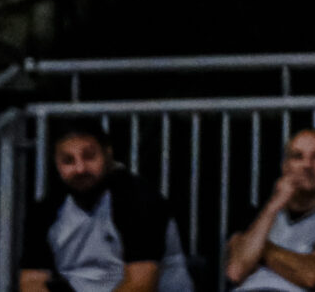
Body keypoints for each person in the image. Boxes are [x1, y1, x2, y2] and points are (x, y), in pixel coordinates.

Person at [19, 121, 193, 292]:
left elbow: (141, 284)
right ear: (56, 163)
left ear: (107, 153)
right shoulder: (44, 211)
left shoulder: (141, 201)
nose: (80, 168)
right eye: (68, 161)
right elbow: (31, 281)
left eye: (89, 156)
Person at [227, 128, 315, 290]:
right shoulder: (257, 214)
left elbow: (312, 276)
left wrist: (260, 248)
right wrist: (274, 205)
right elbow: (236, 270)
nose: (307, 165)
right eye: (298, 156)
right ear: (285, 167)